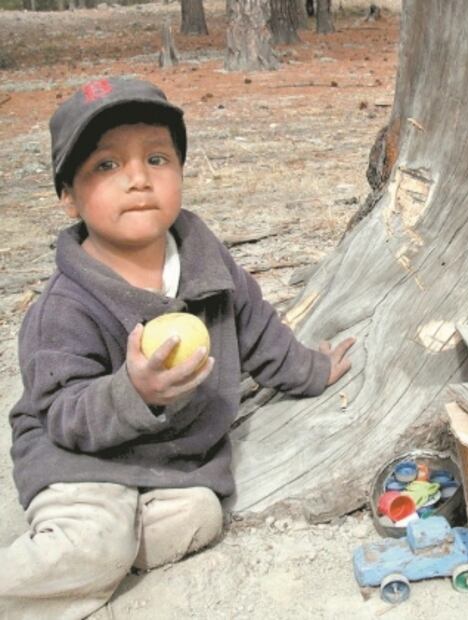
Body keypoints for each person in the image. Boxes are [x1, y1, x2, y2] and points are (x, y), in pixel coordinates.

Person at [0, 77, 354, 620]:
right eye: (106, 166)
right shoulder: (66, 306)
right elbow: (62, 413)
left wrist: (313, 369)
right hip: (77, 458)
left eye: (158, 158)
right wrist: (134, 390)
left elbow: (262, 333)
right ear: (68, 196)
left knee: (201, 515)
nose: (138, 178)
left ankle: (109, 551)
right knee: (94, 542)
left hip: (169, 465)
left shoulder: (208, 266)